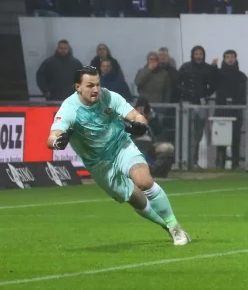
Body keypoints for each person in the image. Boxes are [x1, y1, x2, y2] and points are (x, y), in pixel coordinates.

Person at [47, 66, 190, 245]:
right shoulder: (69, 108)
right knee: (135, 198)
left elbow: (137, 117)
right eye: (90, 85)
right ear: (78, 87)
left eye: (98, 84)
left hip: (121, 146)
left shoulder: (109, 97)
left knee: (144, 181)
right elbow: (52, 138)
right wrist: (58, 141)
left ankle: (175, 227)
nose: (96, 89)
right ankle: (167, 227)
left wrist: (139, 124)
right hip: (98, 164)